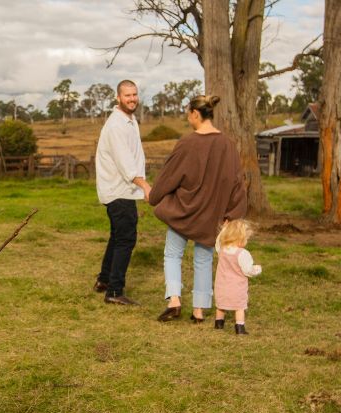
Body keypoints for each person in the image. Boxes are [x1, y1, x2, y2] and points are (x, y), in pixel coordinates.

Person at [148, 95, 247, 323]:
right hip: (211, 216)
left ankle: (174, 300)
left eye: (187, 113)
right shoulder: (228, 145)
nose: (187, 117)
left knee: (173, 254)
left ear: (195, 113)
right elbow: (237, 183)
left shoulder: (187, 142)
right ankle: (199, 310)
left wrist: (154, 196)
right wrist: (232, 216)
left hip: (183, 211)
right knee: (203, 260)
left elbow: (169, 175)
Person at [94, 79, 152, 306]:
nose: (132, 99)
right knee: (126, 239)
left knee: (117, 236)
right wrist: (145, 185)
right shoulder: (117, 125)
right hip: (119, 190)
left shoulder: (129, 119)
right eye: (127, 95)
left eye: (135, 94)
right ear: (118, 98)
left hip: (123, 189)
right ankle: (115, 292)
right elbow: (126, 162)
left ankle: (104, 280)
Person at [213, 219, 263, 335]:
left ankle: (219, 323)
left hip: (221, 286)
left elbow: (218, 242)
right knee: (239, 307)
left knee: (220, 306)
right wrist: (257, 269)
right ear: (240, 238)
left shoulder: (222, 249)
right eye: (246, 238)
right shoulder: (242, 254)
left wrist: (223, 229)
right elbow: (248, 270)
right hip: (237, 288)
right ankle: (240, 327)